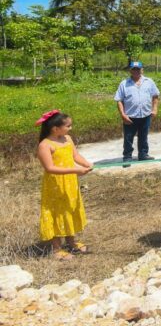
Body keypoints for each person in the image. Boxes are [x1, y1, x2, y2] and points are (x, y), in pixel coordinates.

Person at [36, 110, 92, 260]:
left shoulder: (67, 138)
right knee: (56, 212)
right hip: (55, 185)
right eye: (68, 126)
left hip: (70, 182)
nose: (70, 128)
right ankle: (56, 249)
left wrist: (86, 163)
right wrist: (75, 169)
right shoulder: (45, 145)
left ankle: (71, 242)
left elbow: (75, 156)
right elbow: (50, 168)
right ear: (55, 128)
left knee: (69, 208)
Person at [114, 61, 160, 166]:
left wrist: (155, 109)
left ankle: (143, 154)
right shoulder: (124, 84)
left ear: (142, 70)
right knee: (128, 137)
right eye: (133, 69)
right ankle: (127, 157)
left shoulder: (149, 82)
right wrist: (123, 114)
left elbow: (155, 95)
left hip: (145, 114)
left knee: (144, 136)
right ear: (130, 70)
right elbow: (119, 100)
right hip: (130, 116)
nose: (136, 71)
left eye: (138, 69)